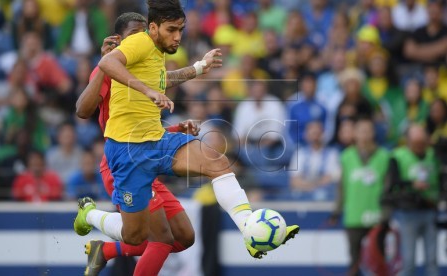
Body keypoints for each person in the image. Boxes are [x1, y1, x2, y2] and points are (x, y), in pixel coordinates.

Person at [78, 0, 298, 266]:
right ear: (153, 27)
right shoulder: (139, 43)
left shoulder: (155, 52)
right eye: (172, 30)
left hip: (157, 141)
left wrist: (199, 68)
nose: (178, 37)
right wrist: (148, 91)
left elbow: (162, 81)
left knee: (218, 163)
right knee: (134, 236)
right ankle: (89, 214)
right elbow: (107, 64)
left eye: (181, 30)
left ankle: (250, 230)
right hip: (127, 152)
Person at [74, 12, 201, 276]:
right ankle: (91, 217)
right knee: (161, 239)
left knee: (184, 237)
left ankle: (105, 250)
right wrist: (104, 63)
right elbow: (83, 110)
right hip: (122, 161)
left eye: (146, 35)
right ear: (119, 41)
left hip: (145, 158)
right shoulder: (109, 70)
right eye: (135, 36)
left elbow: (144, 130)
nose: (142, 41)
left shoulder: (148, 68)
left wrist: (176, 129)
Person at [330, 117, 391, 276]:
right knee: (354, 263)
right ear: (354, 134)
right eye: (361, 131)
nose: (364, 134)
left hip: (376, 217)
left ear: (373, 133)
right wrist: (337, 211)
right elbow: (342, 187)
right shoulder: (347, 157)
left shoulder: (384, 156)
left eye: (368, 130)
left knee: (378, 262)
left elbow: (389, 189)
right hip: (354, 216)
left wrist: (386, 215)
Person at [382, 125, 440, 276]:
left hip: (430, 208)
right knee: (408, 261)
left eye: (422, 140)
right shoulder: (398, 155)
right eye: (416, 141)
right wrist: (411, 184)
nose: (419, 145)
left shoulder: (433, 154)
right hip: (407, 211)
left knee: (432, 260)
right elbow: (392, 182)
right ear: (408, 140)